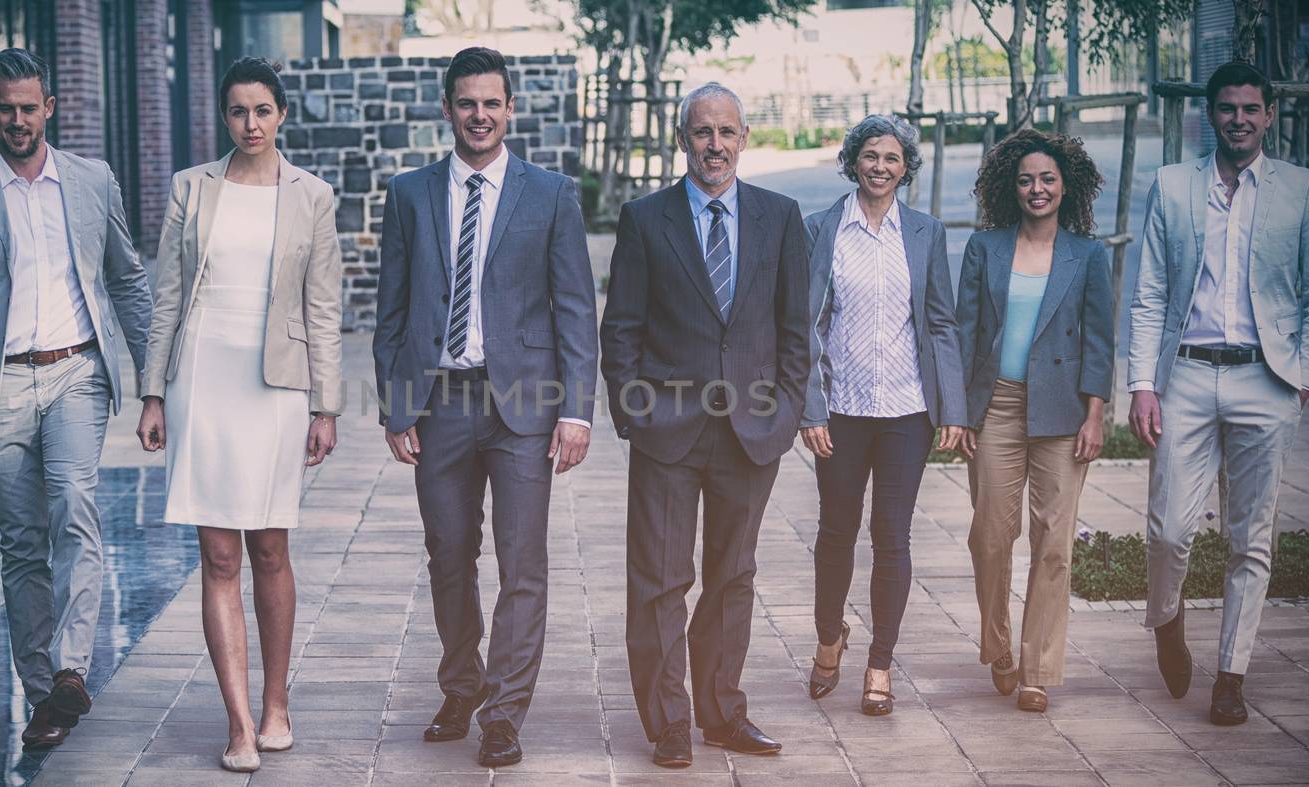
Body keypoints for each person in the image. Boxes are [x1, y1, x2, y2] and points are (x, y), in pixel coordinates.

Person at [0, 48, 153, 749]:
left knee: (74, 507)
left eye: (30, 107)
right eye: (6, 108)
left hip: (77, 369)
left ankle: (73, 666)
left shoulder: (90, 180)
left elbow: (129, 281)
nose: (19, 120)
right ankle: (44, 691)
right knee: (22, 542)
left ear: (50, 107)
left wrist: (153, 386)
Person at [372, 46, 597, 768]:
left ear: (510, 109)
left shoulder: (551, 193)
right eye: (466, 102)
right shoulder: (409, 193)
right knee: (448, 554)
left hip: (524, 408)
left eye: (491, 102)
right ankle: (462, 684)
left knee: (523, 561)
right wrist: (395, 403)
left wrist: (578, 409)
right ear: (448, 108)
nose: (479, 115)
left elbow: (574, 309)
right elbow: (392, 307)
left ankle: (503, 712)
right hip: (439, 403)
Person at [135, 56, 342, 773]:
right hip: (203, 378)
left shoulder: (312, 195)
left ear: (282, 113)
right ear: (222, 116)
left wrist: (327, 404)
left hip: (278, 386)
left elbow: (323, 306)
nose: (249, 123)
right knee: (218, 552)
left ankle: (277, 701)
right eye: (236, 111)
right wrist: (154, 390)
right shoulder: (191, 188)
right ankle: (239, 722)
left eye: (262, 110)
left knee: (270, 548)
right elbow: (166, 295)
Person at [601, 81, 811, 767]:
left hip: (751, 433)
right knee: (659, 579)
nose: (714, 145)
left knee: (732, 577)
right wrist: (635, 412)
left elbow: (794, 328)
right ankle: (668, 720)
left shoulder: (781, 218)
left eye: (726, 132)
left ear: (744, 137)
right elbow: (622, 326)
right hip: (668, 429)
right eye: (701, 132)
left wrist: (783, 410)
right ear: (683, 138)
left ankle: (721, 712)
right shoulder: (645, 218)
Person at [1128, 61, 1309, 725]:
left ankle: (1231, 675)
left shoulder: (1302, 190)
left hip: (1266, 379)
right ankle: (1167, 620)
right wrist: (1141, 382)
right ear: (1211, 114)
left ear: (1269, 114)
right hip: (1186, 373)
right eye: (1228, 108)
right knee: (1168, 528)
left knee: (1251, 537)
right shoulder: (1171, 185)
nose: (1239, 119)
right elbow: (1151, 291)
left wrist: (1302, 378)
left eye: (1251, 108)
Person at [800, 113, 967, 717]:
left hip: (906, 412)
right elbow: (804, 325)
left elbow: (942, 322)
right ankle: (828, 638)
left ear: (906, 169)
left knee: (891, 538)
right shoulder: (820, 228)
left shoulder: (925, 233)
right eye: (870, 156)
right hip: (839, 411)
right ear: (853, 161)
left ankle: (879, 664)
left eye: (892, 158)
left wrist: (953, 406)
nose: (880, 167)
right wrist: (808, 407)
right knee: (834, 535)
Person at [955, 128, 1113, 713]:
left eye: (1047, 178)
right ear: (1010, 187)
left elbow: (1100, 340)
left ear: (1066, 186)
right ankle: (998, 645)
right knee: (990, 536)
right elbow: (964, 330)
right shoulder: (984, 247)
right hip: (995, 403)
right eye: (1026, 179)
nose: (1037, 188)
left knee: (1054, 543)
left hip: (1064, 411)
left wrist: (1095, 415)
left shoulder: (1088, 255)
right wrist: (959, 412)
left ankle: (1038, 670)